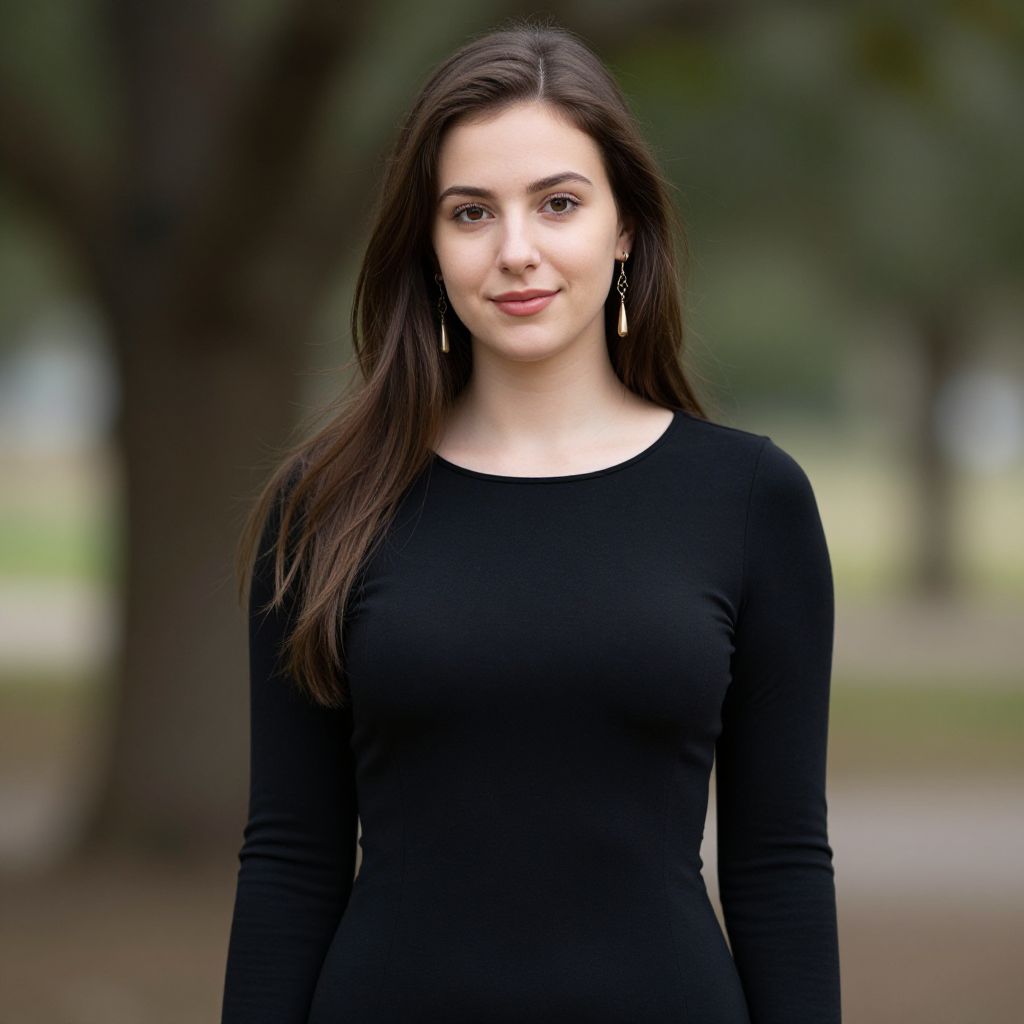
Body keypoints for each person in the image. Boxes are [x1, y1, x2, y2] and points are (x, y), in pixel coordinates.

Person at [220, 17, 841, 1024]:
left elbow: (779, 866)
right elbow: (290, 859)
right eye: (470, 213)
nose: (517, 251)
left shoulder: (750, 503)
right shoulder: (325, 505)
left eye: (557, 203)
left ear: (624, 227)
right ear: (425, 243)